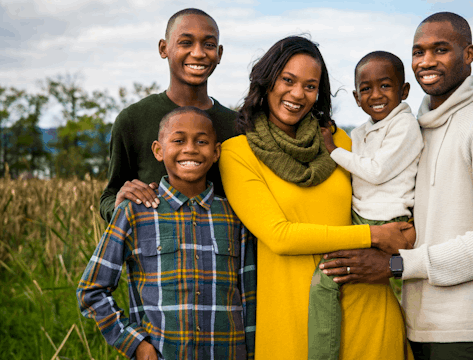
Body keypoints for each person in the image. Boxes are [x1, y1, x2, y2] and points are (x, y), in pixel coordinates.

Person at [322, 12, 473, 360]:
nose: (426, 61)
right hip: (416, 321)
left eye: (441, 50)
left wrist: (397, 265)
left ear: (469, 54)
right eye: (418, 52)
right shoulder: (415, 128)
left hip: (467, 329)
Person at [218, 36, 414, 360]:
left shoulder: (337, 140)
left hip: (368, 308)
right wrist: (373, 235)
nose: (298, 94)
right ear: (267, 80)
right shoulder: (237, 153)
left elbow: (389, 199)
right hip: (292, 319)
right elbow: (280, 236)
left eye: (310, 86)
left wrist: (402, 243)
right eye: (288, 80)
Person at [77, 107, 256, 360]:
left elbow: (251, 295)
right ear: (158, 150)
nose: (191, 149)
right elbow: (91, 290)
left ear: (216, 152)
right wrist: (135, 344)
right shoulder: (134, 213)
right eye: (179, 140)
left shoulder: (235, 214)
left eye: (202, 141)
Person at [310, 51, 423, 359]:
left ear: (404, 91)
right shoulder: (361, 132)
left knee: (325, 283)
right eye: (366, 89)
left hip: (383, 223)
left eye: (385, 86)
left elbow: (374, 171)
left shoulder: (405, 127)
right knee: (343, 285)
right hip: (361, 219)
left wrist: (332, 148)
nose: (376, 95)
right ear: (358, 98)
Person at [99, 8, 237, 223]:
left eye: (208, 45)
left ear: (219, 54)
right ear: (164, 48)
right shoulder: (133, 120)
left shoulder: (236, 126)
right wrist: (119, 204)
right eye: (186, 43)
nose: (199, 53)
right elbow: (110, 194)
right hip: (152, 251)